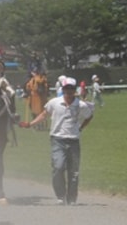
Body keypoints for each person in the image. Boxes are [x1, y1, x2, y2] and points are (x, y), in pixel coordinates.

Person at [21, 76, 94, 204]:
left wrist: (81, 128)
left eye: (71, 89)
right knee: (58, 167)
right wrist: (31, 124)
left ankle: (71, 198)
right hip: (57, 139)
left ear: (74, 90)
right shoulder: (54, 102)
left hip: (73, 140)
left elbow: (89, 116)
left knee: (74, 171)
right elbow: (44, 114)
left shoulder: (80, 105)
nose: (69, 92)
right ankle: (61, 195)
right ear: (63, 89)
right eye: (66, 89)